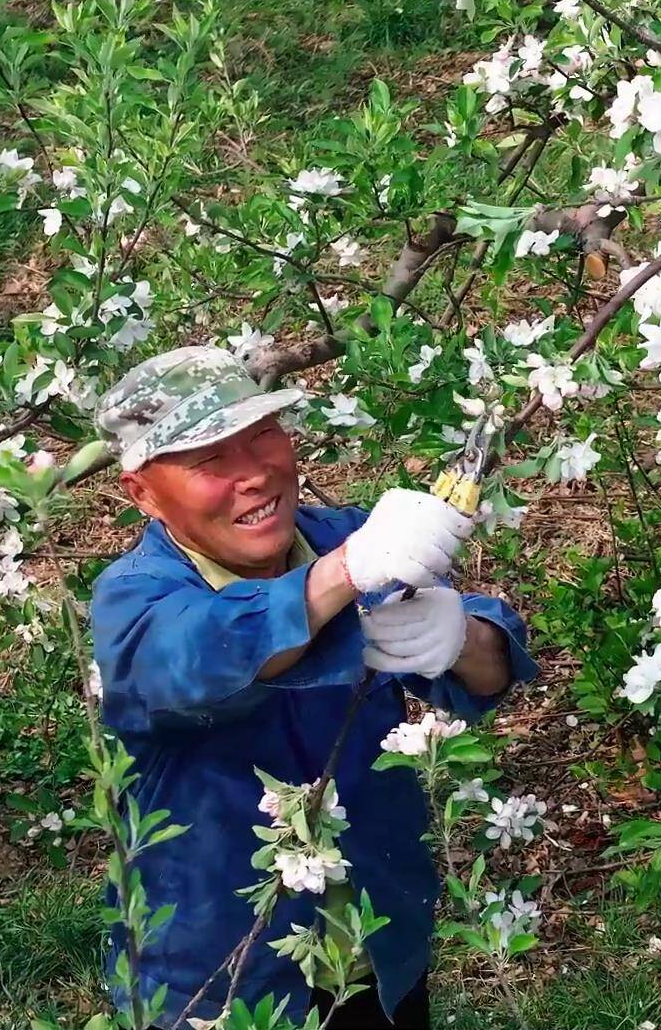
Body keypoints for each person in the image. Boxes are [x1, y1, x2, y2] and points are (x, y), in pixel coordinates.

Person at [88, 347, 539, 1029]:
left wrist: (461, 637)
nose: (253, 473)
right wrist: (340, 578)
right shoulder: (133, 602)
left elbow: (489, 673)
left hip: (376, 948)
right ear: (143, 493)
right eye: (209, 462)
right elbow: (202, 655)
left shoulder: (344, 536)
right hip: (223, 981)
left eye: (262, 436)